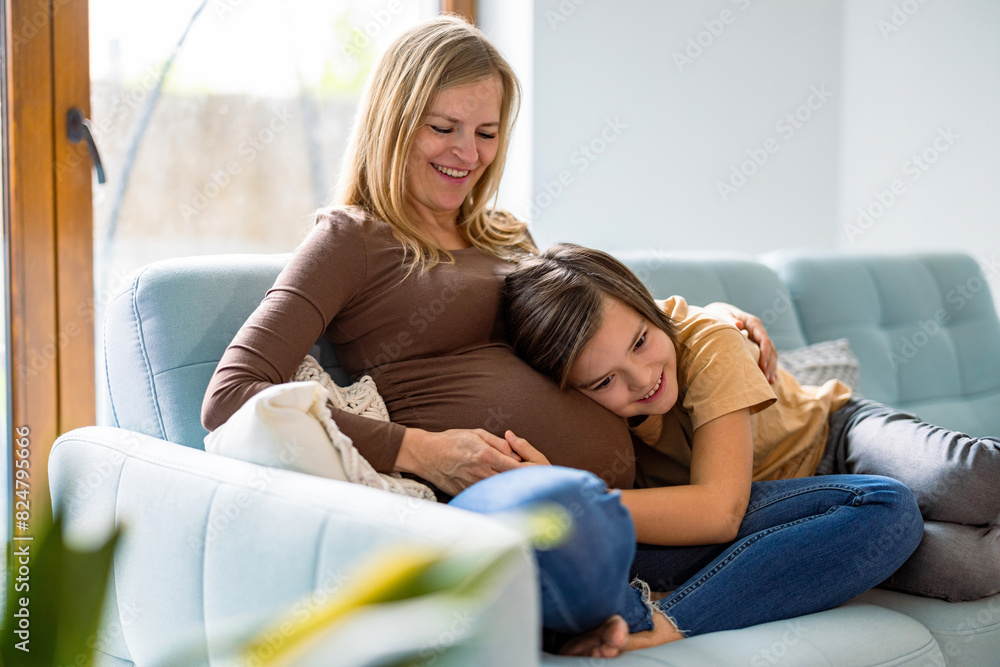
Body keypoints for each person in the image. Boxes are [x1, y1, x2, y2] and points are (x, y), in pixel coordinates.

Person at [201, 16, 922, 657]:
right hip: (533, 511)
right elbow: (232, 398)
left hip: (642, 505)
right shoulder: (351, 239)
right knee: (571, 510)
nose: (467, 154)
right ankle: (622, 598)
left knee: (888, 508)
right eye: (442, 127)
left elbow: (593, 328)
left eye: (487, 134)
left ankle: (660, 616)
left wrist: (703, 317)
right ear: (394, 119)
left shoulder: (506, 235)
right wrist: (420, 450)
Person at [503, 242, 999, 611]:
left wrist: (575, 502)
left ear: (648, 305)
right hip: (795, 506)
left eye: (639, 342)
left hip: (835, 435)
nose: (642, 379)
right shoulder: (586, 416)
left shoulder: (708, 340)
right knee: (969, 568)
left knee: (975, 476)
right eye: (606, 379)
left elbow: (719, 511)